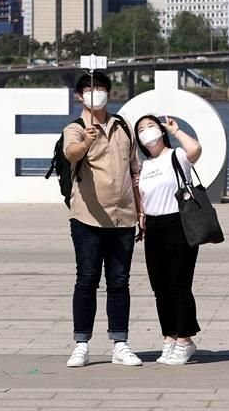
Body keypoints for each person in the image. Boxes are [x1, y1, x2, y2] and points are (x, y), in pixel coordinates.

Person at [62, 72, 143, 368]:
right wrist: (86, 142)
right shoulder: (75, 128)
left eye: (100, 88)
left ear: (109, 92)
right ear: (79, 97)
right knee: (86, 280)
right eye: (88, 89)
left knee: (120, 282)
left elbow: (135, 172)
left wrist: (141, 210)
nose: (95, 93)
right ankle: (81, 344)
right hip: (87, 218)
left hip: (124, 218)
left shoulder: (124, 127)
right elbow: (71, 154)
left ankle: (120, 343)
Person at [134, 114, 203, 366]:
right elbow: (142, 197)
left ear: (161, 131)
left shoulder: (176, 157)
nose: (147, 131)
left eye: (151, 126)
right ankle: (169, 337)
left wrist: (176, 130)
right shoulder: (143, 166)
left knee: (179, 284)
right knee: (159, 287)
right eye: (141, 129)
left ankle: (185, 339)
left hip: (179, 223)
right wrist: (141, 218)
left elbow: (195, 149)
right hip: (153, 226)